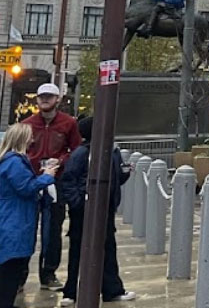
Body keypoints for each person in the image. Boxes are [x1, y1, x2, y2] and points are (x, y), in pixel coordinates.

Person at [59, 117, 135, 305]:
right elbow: (68, 179)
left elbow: (114, 178)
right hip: (84, 211)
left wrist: (124, 175)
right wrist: (78, 203)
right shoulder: (82, 153)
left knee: (108, 249)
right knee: (79, 250)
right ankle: (72, 291)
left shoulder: (111, 152)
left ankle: (112, 289)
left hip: (106, 209)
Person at [22, 82, 81, 292]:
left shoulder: (68, 123)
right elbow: (19, 150)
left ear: (57, 100)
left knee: (52, 230)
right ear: (37, 99)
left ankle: (48, 274)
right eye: (41, 96)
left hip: (57, 182)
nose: (44, 100)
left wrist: (60, 162)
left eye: (49, 96)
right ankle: (20, 276)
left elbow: (76, 149)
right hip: (31, 181)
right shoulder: (27, 124)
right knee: (25, 228)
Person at [0, 124, 58, 308]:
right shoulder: (15, 162)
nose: (33, 140)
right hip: (14, 220)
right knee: (10, 269)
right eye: (31, 137)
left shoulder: (9, 161)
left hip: (12, 217)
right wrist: (47, 176)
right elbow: (26, 188)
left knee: (11, 269)